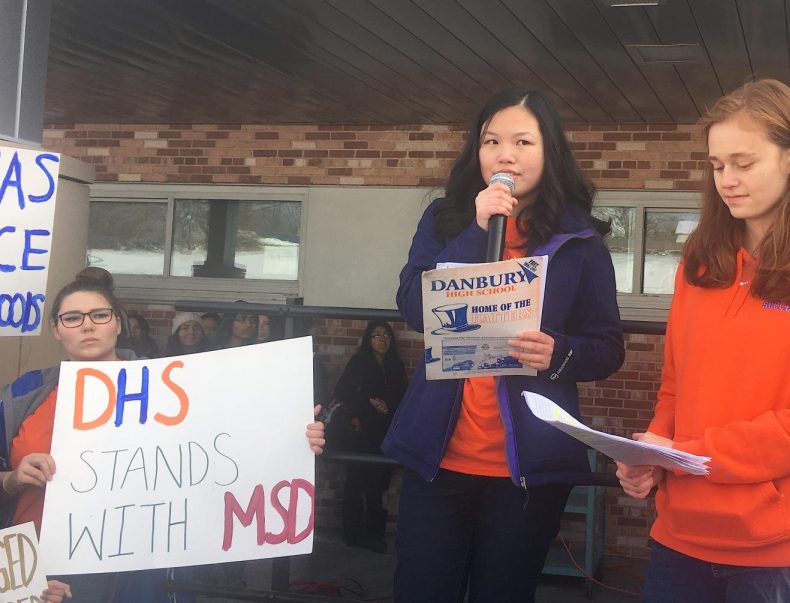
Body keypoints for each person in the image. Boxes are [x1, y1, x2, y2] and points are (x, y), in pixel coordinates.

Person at [614, 79, 790, 603]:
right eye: (716, 165)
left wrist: (686, 454)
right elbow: (675, 387)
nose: (727, 180)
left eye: (744, 162)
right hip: (678, 540)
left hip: (783, 551)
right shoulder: (699, 259)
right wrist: (652, 452)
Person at [382, 89, 624, 602]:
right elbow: (412, 307)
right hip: (438, 458)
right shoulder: (445, 220)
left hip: (526, 471)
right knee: (421, 588)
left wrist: (558, 354)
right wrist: (474, 231)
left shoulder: (579, 241)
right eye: (490, 140)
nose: (504, 154)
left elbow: (606, 346)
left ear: (550, 151)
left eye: (521, 141)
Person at [0, 273, 327, 601]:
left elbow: (228, 446)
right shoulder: (24, 394)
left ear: (118, 323)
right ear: (56, 329)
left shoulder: (171, 387)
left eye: (99, 315)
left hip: (142, 570)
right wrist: (12, 479)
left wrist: (293, 438)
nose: (87, 326)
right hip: (37, 567)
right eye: (72, 318)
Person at [331, 321, 407, 553]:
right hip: (360, 432)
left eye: (386, 335)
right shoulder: (359, 363)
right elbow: (342, 393)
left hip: (384, 432)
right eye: (376, 335)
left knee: (377, 486)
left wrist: (388, 405)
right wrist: (368, 401)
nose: (382, 340)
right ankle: (353, 533)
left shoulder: (395, 365)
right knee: (355, 483)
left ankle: (374, 533)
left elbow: (403, 397)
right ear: (368, 339)